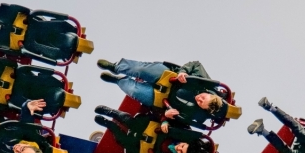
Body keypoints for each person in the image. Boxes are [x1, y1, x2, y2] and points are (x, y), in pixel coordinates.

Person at [96, 59, 237, 128]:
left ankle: (118, 80)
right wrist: (183, 72)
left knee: (134, 90)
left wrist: (167, 117)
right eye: (203, 98)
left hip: (163, 99)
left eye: (201, 103)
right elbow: (195, 64)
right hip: (169, 78)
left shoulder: (197, 116)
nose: (199, 99)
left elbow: (180, 124)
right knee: (140, 69)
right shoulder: (205, 81)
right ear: (209, 94)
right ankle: (116, 67)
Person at [93, 107, 225, 153]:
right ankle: (109, 112)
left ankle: (109, 124)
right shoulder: (184, 132)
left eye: (180, 152)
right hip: (149, 127)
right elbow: (169, 115)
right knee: (128, 120)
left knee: (124, 140)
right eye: (182, 146)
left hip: (147, 149)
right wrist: (165, 120)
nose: (179, 148)